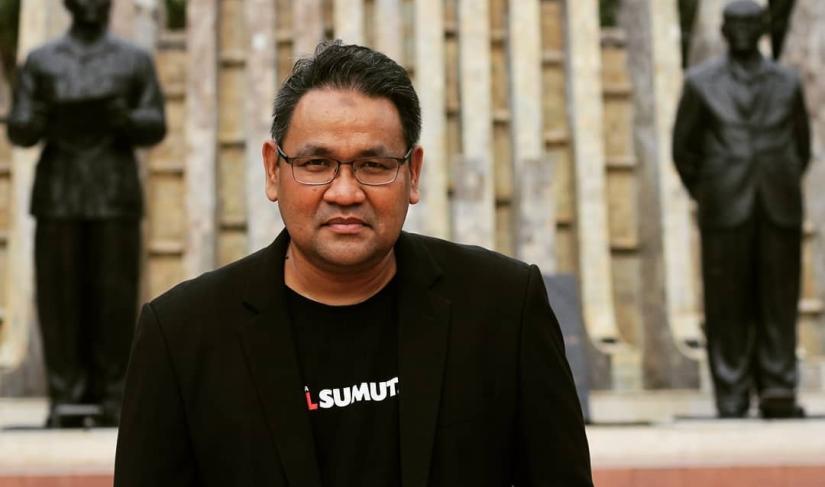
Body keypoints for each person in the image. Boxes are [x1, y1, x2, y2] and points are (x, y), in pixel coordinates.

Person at [114, 41, 592, 486]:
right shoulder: (181, 335)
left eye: (373, 165)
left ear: (413, 174)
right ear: (273, 170)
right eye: (316, 163)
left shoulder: (504, 308)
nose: (345, 193)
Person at [6, 0, 166, 427]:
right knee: (59, 298)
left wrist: (124, 118)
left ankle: (114, 393)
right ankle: (66, 395)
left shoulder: (133, 59)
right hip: (59, 193)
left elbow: (155, 122)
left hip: (114, 192)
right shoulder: (41, 61)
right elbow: (18, 127)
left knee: (115, 296)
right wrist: (42, 117)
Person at [673, 0, 810, 418]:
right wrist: (709, 190)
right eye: (736, 25)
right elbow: (684, 150)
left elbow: (801, 146)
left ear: (764, 28)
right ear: (724, 31)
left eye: (752, 25)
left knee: (779, 298)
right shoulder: (700, 83)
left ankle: (778, 385)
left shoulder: (787, 82)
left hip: (778, 202)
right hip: (724, 203)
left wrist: (781, 176)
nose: (744, 32)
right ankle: (730, 390)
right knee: (725, 301)